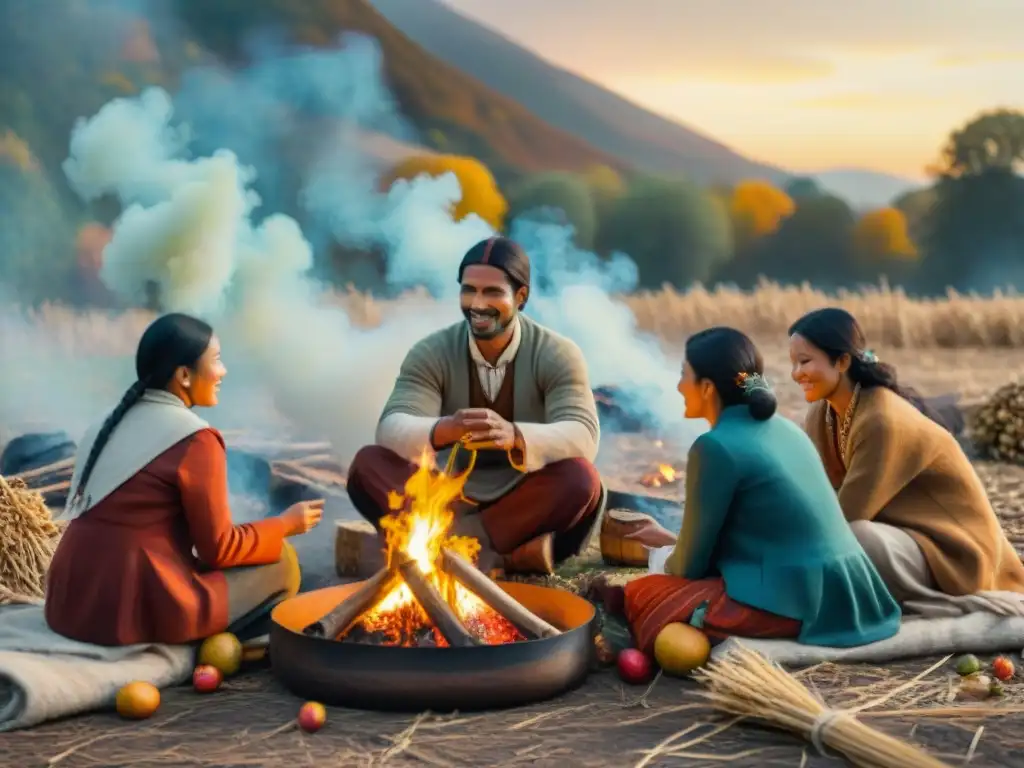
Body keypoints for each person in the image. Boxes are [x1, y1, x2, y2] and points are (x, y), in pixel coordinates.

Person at [615, 327, 900, 655]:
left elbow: (690, 568)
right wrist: (669, 540)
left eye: (684, 375)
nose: (679, 386)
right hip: (851, 594)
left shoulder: (714, 447)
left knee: (639, 594)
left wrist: (664, 561)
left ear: (707, 388)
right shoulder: (786, 428)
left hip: (798, 604)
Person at [45, 313, 324, 646]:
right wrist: (284, 525)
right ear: (184, 376)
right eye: (217, 361)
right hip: (129, 609)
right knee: (283, 562)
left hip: (69, 603)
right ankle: (224, 640)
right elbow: (219, 549)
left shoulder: (103, 423)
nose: (223, 372)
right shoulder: (196, 439)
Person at [346, 236, 604, 575]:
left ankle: (454, 547)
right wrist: (445, 429)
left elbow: (584, 435)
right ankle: (497, 554)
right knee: (368, 464)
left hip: (524, 502)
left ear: (521, 296)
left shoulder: (557, 353)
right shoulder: (432, 351)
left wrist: (514, 436)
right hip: (446, 498)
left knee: (581, 479)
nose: (477, 304)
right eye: (469, 290)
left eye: (493, 292)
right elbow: (391, 427)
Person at [789, 307, 1024, 617]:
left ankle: (933, 603)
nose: (795, 374)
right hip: (903, 537)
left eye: (805, 361)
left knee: (855, 539)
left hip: (954, 556)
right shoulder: (823, 414)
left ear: (842, 361)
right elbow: (818, 491)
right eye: (793, 363)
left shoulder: (881, 420)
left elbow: (844, 518)